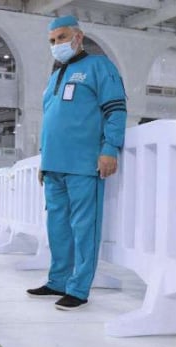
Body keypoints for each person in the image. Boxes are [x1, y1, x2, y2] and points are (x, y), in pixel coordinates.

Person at [27, 15, 127, 310]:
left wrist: (110, 148)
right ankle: (57, 280)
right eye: (52, 40)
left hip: (84, 164)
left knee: (84, 227)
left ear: (78, 37)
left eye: (61, 37)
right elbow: (50, 122)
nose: (56, 44)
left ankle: (79, 288)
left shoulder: (99, 67)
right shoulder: (55, 76)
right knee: (57, 226)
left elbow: (116, 109)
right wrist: (44, 161)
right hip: (54, 165)